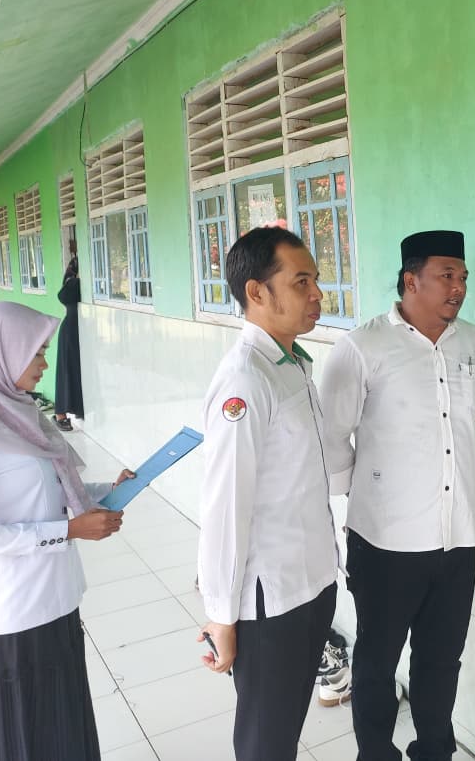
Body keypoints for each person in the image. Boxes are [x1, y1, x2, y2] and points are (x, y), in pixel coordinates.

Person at [0, 302, 131, 761]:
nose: (44, 364)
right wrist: (68, 530)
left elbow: (49, 488)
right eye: (35, 352)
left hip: (56, 596)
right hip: (14, 610)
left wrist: (106, 490)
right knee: (23, 732)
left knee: (60, 722)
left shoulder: (16, 413)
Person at [320, 230, 475, 761]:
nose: (458, 287)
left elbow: (464, 424)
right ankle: (375, 753)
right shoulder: (363, 347)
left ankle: (435, 751)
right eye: (447, 275)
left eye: (463, 277)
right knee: (377, 659)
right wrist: (365, 496)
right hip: (385, 541)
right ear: (410, 280)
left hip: (456, 535)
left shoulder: (474, 344)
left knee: (441, 660)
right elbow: (330, 436)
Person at [196, 226, 339, 761]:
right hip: (270, 600)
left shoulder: (293, 363)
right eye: (301, 282)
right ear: (257, 292)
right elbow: (225, 507)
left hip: (312, 583)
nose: (317, 294)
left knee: (285, 730)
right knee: (266, 741)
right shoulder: (245, 380)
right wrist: (221, 615)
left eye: (315, 280)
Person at [54, 258, 84, 431]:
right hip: (70, 333)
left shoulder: (80, 284)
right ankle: (60, 413)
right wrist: (74, 280)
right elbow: (63, 296)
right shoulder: (73, 284)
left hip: (79, 331)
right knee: (66, 371)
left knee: (77, 371)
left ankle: (74, 408)